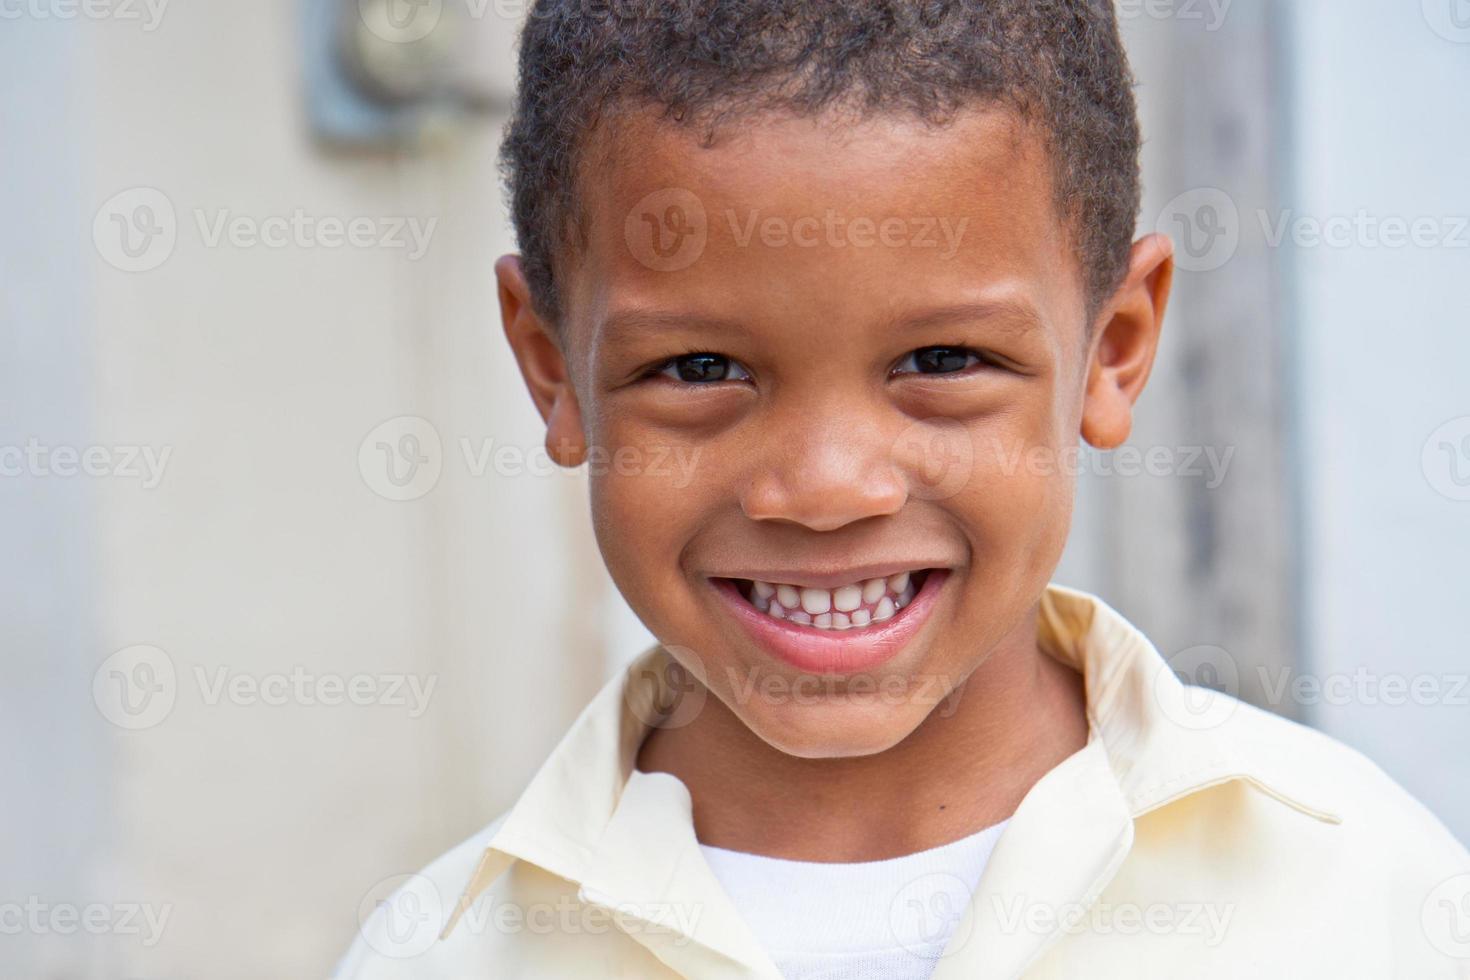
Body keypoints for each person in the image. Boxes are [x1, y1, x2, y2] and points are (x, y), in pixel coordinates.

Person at [337, 2, 1470, 977]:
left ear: (1114, 347)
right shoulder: (442, 951)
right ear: (552, 368)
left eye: (941, 362)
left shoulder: (1360, 898)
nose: (826, 488)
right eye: (698, 369)